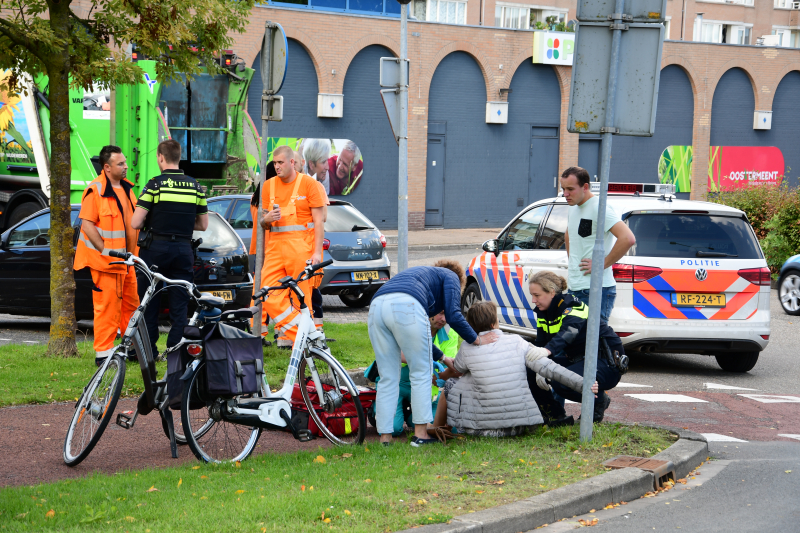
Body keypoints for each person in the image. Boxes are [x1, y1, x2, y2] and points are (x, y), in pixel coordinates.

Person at [368, 262, 492, 447]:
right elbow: (454, 315)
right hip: (407, 305)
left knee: (387, 377)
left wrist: (442, 357)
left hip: (376, 306)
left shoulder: (420, 275)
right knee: (421, 373)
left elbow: (419, 341)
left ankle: (385, 439)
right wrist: (477, 340)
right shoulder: (451, 277)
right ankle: (420, 435)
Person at [445, 301, 597, 437]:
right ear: (494, 324)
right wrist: (584, 384)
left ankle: (442, 427)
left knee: (454, 382)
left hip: (479, 430)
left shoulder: (466, 347)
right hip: (517, 428)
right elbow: (551, 368)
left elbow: (457, 369)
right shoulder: (517, 341)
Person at [131, 139, 208, 358]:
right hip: (183, 249)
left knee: (149, 301)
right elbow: (203, 225)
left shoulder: (154, 184)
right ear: (179, 157)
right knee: (179, 305)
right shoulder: (195, 186)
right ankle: (176, 352)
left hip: (155, 248)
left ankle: (148, 352)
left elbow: (136, 223)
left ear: (160, 158)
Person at [74, 145, 140, 366]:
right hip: (105, 264)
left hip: (126, 262)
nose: (125, 167)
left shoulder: (127, 189)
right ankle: (103, 355)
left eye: (125, 162)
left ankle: (132, 350)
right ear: (107, 167)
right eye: (120, 164)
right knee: (106, 308)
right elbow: (87, 223)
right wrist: (104, 249)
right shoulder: (96, 190)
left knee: (131, 306)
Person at [527, 270, 622, 422]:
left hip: (606, 361)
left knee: (561, 382)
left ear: (552, 293)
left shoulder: (574, 307)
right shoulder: (544, 311)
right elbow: (541, 342)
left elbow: (568, 333)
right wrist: (538, 365)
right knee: (530, 369)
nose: (533, 300)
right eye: (532, 295)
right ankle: (555, 416)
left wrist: (546, 351)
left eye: (537, 295)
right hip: (578, 360)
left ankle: (599, 400)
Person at [259, 145, 325, 348]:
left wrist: (316, 253)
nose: (276, 166)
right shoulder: (268, 186)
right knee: (267, 292)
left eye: (280, 162)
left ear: (292, 162)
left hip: (300, 248)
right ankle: (307, 336)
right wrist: (266, 219)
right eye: (274, 163)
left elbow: (320, 221)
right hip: (275, 249)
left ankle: (300, 341)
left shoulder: (309, 185)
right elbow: (263, 222)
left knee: (300, 297)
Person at [560, 166, 636, 322]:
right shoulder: (574, 208)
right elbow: (569, 234)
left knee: (594, 342)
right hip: (576, 286)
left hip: (595, 289)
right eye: (563, 189)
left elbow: (628, 238)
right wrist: (573, 263)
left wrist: (602, 264)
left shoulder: (599, 208)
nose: (565, 194)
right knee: (575, 342)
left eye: (570, 189)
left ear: (585, 187)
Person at [302, 139, 333, 338]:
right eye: (323, 162)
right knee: (311, 295)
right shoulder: (314, 186)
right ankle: (313, 333)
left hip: (308, 251)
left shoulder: (303, 185)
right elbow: (323, 218)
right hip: (307, 252)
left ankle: (314, 332)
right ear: (312, 164)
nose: (327, 166)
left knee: (312, 295)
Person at [249, 161, 277, 342]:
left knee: (258, 290)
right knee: (271, 291)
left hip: (256, 248)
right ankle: (265, 331)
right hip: (269, 249)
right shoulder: (270, 197)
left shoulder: (256, 197)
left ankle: (257, 330)